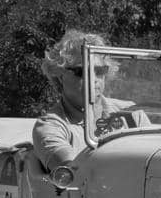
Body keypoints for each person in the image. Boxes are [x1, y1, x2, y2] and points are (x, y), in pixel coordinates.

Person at [31, 30, 129, 170]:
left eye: (100, 71)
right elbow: (75, 173)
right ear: (60, 76)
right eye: (81, 72)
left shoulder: (131, 113)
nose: (93, 79)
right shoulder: (51, 126)